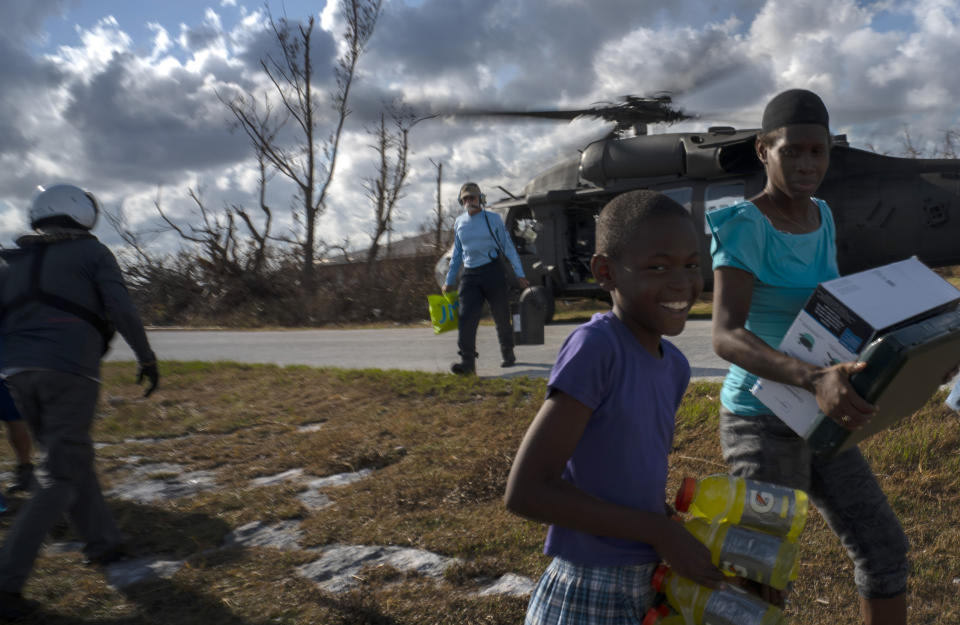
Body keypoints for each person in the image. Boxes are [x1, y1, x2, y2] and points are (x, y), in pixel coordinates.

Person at [708, 89, 910, 625]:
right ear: (762, 151)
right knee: (758, 579)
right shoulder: (744, 225)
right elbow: (726, 335)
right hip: (761, 422)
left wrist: (918, 353)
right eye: (791, 151)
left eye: (816, 152)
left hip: (818, 411)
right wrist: (813, 376)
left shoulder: (822, 215)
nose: (806, 164)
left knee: (885, 551)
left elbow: (834, 313)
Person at [505, 190, 725, 624]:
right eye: (658, 267)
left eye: (691, 264)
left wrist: (663, 519)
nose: (681, 282)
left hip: (647, 581)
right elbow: (527, 491)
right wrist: (657, 530)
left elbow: (619, 468)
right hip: (590, 588)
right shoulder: (598, 348)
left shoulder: (675, 366)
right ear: (606, 272)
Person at [0, 184, 159, 620]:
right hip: (70, 370)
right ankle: (5, 582)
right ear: (83, 214)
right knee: (61, 473)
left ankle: (103, 545)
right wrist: (145, 356)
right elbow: (122, 309)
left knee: (68, 458)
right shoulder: (93, 253)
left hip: (16, 374)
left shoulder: (10, 264)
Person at [442, 182, 529, 374]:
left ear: (480, 199)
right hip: (470, 275)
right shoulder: (459, 223)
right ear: (461, 201)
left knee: (501, 316)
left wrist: (520, 274)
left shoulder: (493, 219)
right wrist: (449, 281)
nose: (469, 201)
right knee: (466, 318)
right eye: (465, 198)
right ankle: (467, 363)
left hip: (493, 272)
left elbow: (508, 247)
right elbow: (457, 254)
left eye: (472, 197)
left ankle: (508, 352)